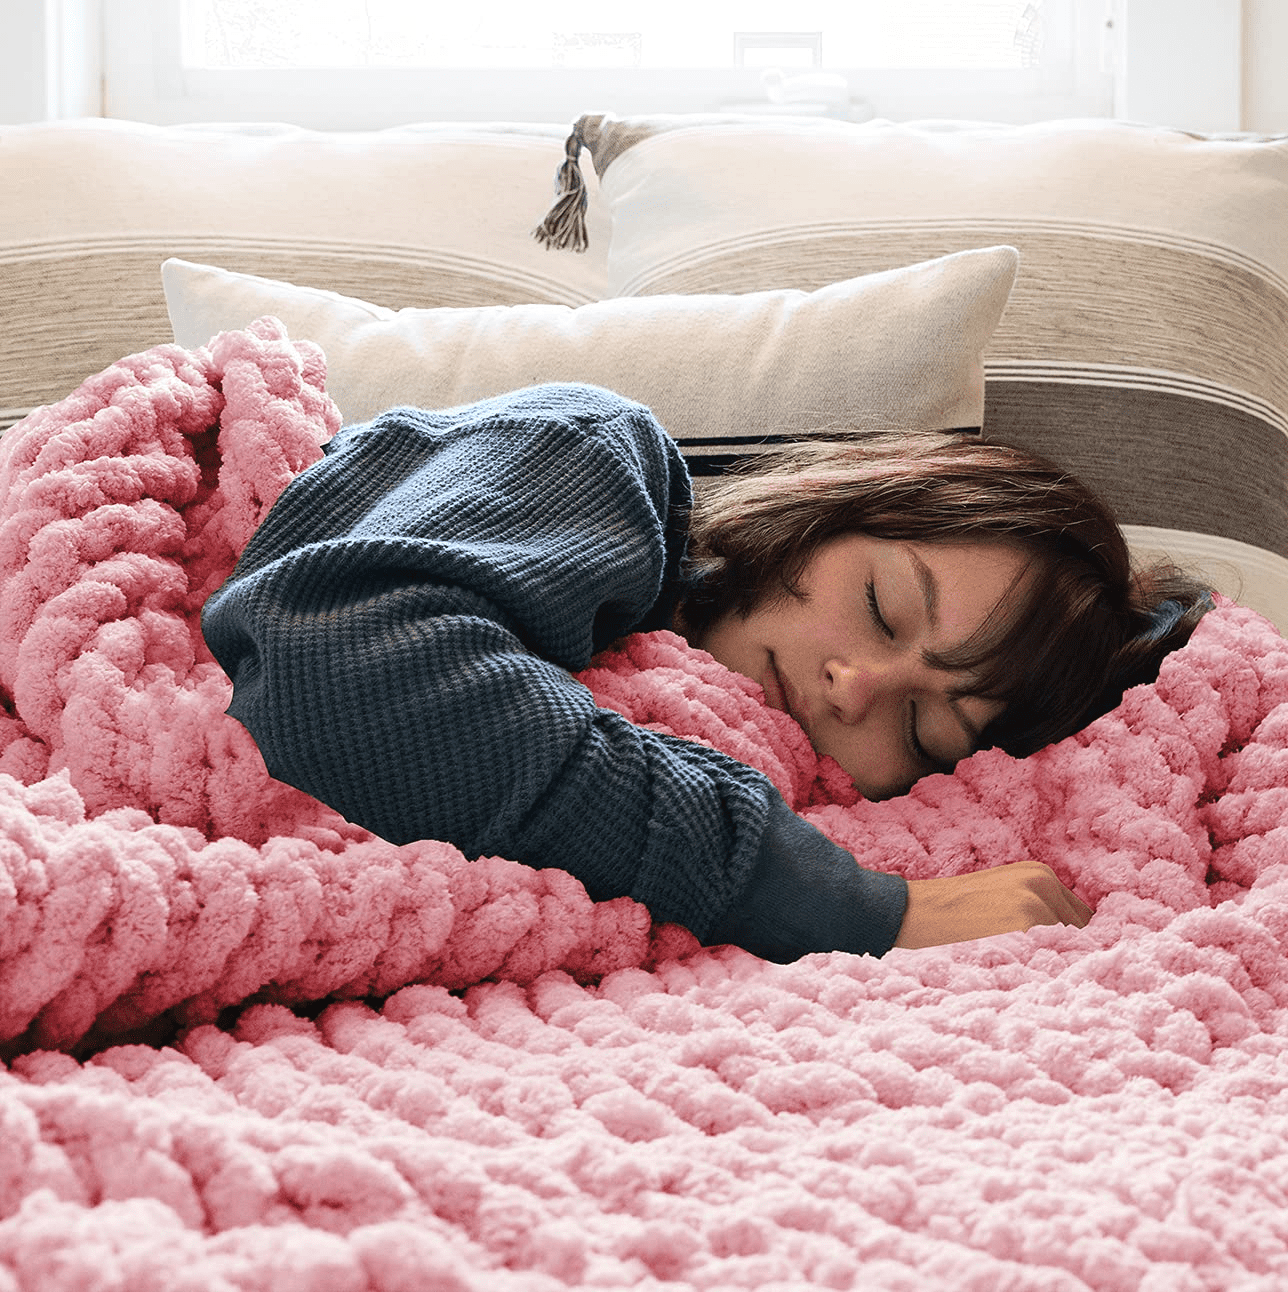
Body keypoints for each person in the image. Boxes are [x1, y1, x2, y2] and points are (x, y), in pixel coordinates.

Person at [201, 383, 1210, 964]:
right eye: (881, 605)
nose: (852, 687)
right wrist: (859, 909)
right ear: (828, 507)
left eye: (920, 734)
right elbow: (342, 666)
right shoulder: (597, 460)